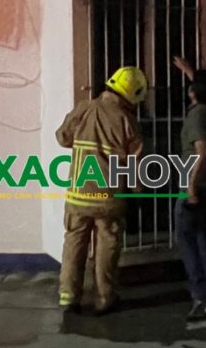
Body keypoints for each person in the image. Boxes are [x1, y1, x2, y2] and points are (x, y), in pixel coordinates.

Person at [55, 67, 147, 315]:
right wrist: (137, 192)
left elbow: (63, 138)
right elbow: (135, 164)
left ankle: (68, 296)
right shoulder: (127, 120)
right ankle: (104, 299)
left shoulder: (84, 108)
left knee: (74, 243)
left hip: (79, 195)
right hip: (110, 197)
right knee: (107, 247)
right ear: (132, 95)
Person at [173, 56, 206, 320]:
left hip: (195, 187)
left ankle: (201, 297)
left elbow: (201, 154)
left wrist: (190, 188)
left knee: (189, 241)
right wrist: (191, 73)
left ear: (193, 92)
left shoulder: (196, 116)